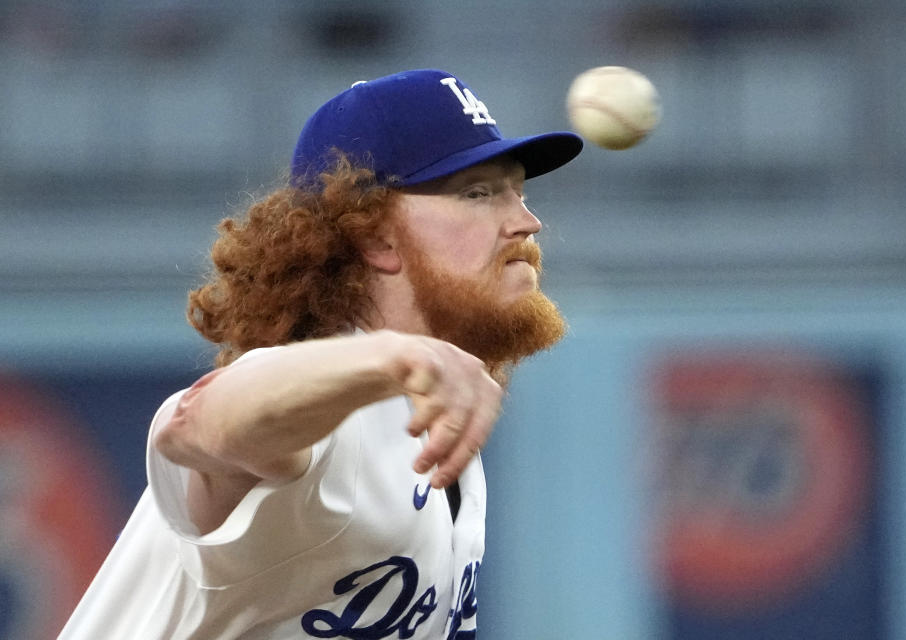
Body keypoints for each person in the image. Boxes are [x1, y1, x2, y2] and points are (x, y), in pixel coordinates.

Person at [58, 68, 582, 639]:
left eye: (519, 191)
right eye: (478, 193)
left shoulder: (433, 436)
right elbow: (198, 427)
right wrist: (393, 359)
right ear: (376, 238)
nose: (526, 222)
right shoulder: (332, 410)